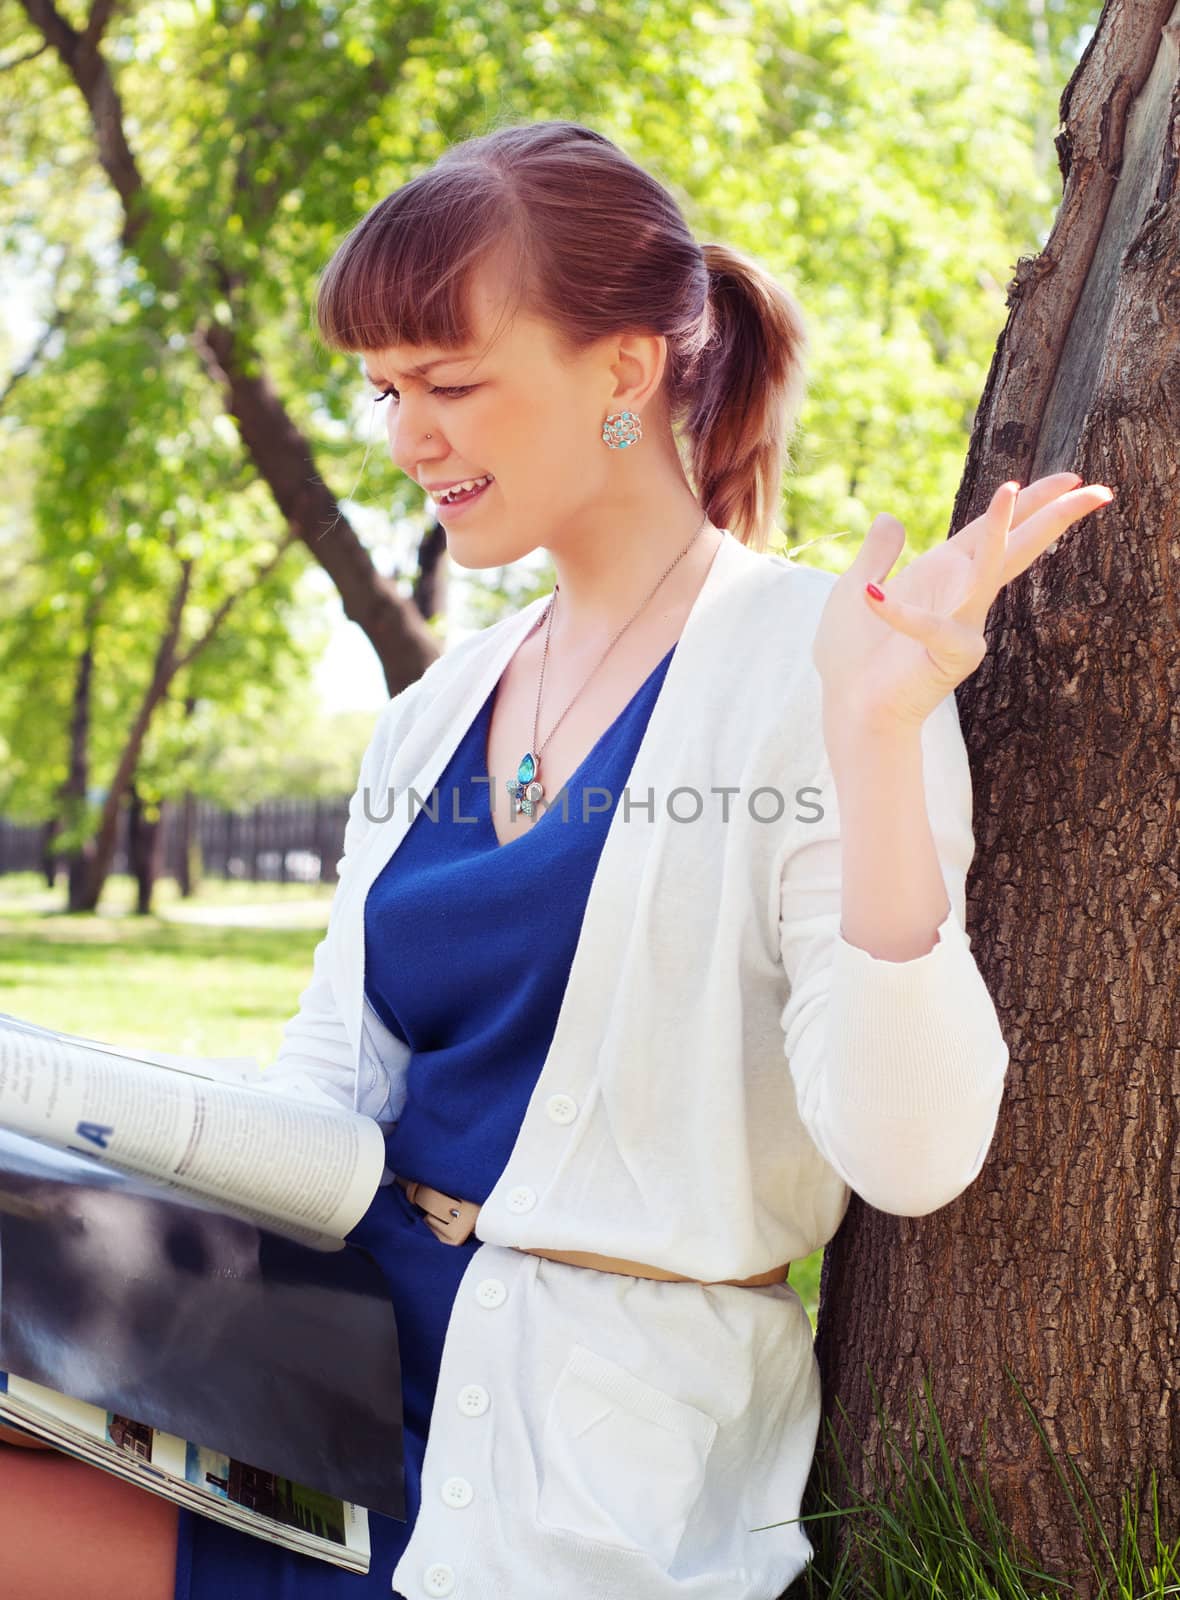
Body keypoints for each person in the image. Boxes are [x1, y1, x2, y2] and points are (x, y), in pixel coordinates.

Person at [1, 117, 1112, 1599]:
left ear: (624, 372)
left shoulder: (823, 663)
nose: (407, 438)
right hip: (317, 1379)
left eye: (451, 384)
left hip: (583, 1453)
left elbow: (911, 1160)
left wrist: (877, 736)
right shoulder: (429, 716)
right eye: (388, 390)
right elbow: (330, 1102)